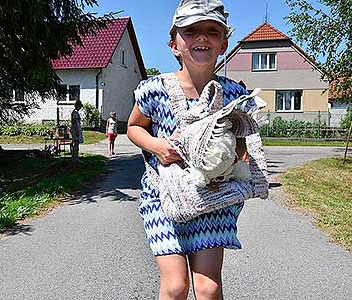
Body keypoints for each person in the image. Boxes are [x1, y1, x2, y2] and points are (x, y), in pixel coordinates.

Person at [127, 1, 251, 299]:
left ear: (224, 44)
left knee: (208, 289)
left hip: (212, 199)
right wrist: (157, 146)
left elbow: (244, 144)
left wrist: (231, 160)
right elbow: (133, 127)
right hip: (164, 197)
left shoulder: (234, 94)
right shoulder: (153, 89)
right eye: (191, 31)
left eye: (212, 31)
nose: (202, 37)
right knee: (175, 286)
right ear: (174, 45)